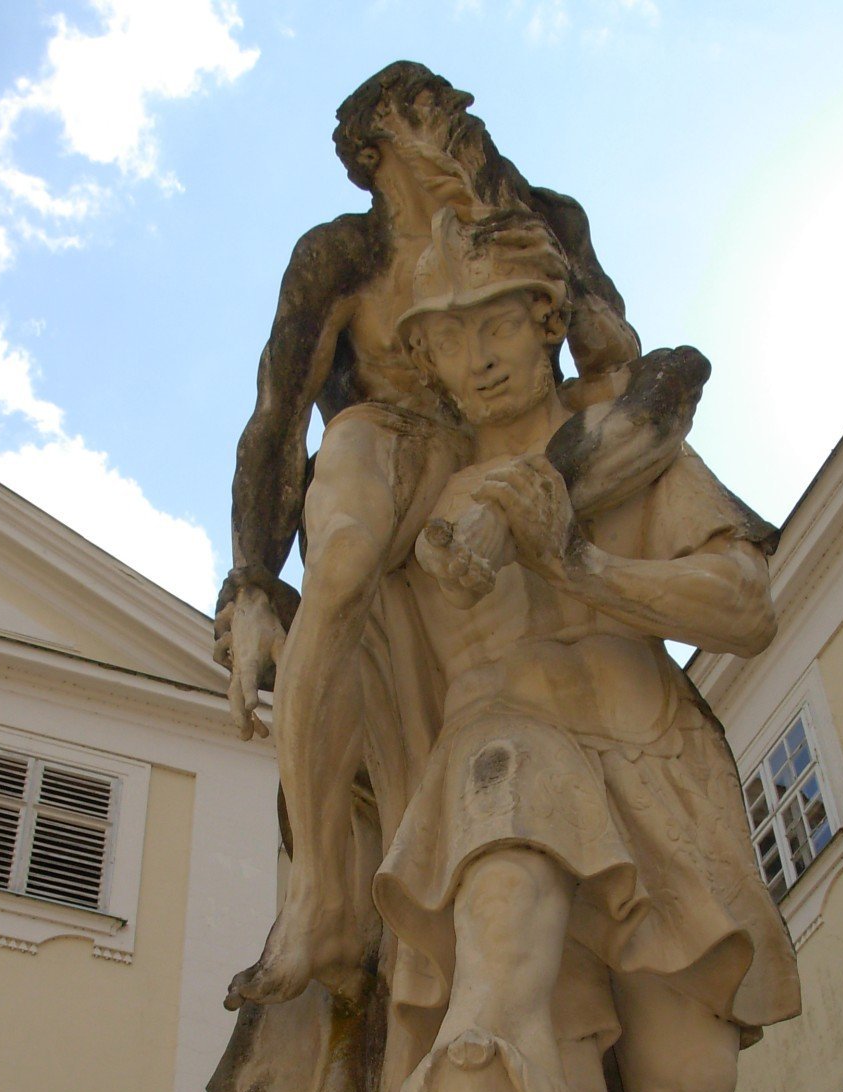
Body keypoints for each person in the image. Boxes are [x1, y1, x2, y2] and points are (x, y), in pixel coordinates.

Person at [315, 208, 800, 1092]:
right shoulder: (427, 482)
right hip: (505, 754)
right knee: (493, 985)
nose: (475, 355)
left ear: (545, 324)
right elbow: (345, 584)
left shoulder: (631, 449)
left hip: (657, 769)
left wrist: (583, 565)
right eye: (448, 336)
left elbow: (745, 604)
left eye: (497, 324)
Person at [216, 62, 704, 1005]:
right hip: (387, 439)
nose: (447, 138)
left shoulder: (539, 216)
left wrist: (501, 212)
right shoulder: (342, 257)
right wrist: (249, 582)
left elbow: (619, 361)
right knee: (349, 556)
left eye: (450, 117)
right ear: (372, 155)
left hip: (520, 450)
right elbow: (278, 420)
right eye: (418, 126)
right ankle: (319, 891)